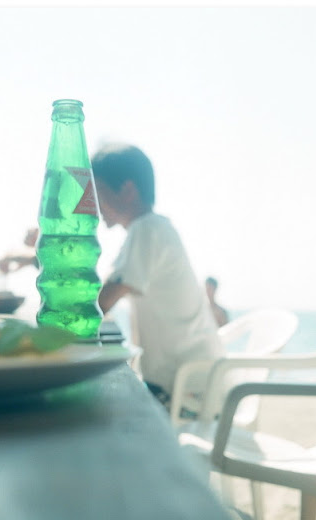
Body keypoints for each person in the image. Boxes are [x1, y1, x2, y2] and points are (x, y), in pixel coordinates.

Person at [92, 143, 223, 406]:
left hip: (184, 390)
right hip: (194, 382)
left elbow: (101, 301)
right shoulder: (152, 229)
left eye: (97, 193)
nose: (93, 206)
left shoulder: (146, 229)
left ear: (127, 191)